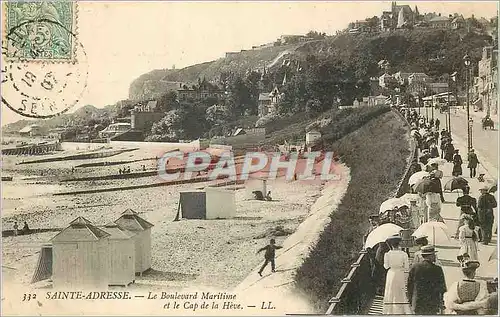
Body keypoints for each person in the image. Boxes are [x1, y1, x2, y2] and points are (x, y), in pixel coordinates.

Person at [407, 245, 447, 314]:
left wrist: (410, 300)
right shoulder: (437, 269)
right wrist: (442, 302)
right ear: (430, 256)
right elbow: (442, 288)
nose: (435, 256)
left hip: (417, 302)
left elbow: (409, 285)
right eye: (434, 254)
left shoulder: (415, 267)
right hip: (432, 303)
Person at [382, 234, 412, 314]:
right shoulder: (404, 254)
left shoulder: (387, 254)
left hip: (391, 273)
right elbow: (406, 267)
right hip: (400, 274)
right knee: (400, 291)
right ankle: (401, 310)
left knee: (390, 291)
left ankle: (390, 311)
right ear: (399, 244)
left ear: (391, 244)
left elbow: (386, 266)